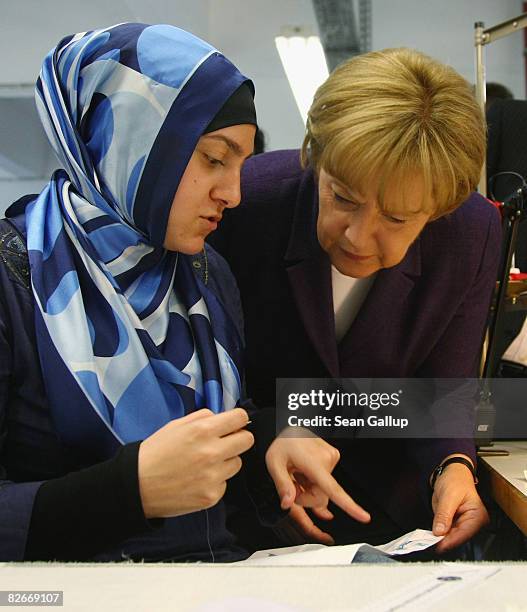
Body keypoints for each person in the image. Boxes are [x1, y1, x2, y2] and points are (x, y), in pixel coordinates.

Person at [0, 23, 369, 562]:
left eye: (241, 165)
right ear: (131, 138)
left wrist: (272, 439)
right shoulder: (15, 279)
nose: (234, 194)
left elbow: (217, 429)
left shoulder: (203, 273)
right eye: (214, 159)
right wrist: (130, 491)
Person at [209, 47, 502, 554]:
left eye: (395, 218)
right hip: (253, 506)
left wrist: (453, 468)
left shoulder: (470, 232)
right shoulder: (246, 203)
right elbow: (202, 373)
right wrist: (272, 433)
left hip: (398, 516)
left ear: (439, 208)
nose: (359, 238)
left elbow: (445, 391)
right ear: (314, 158)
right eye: (342, 196)